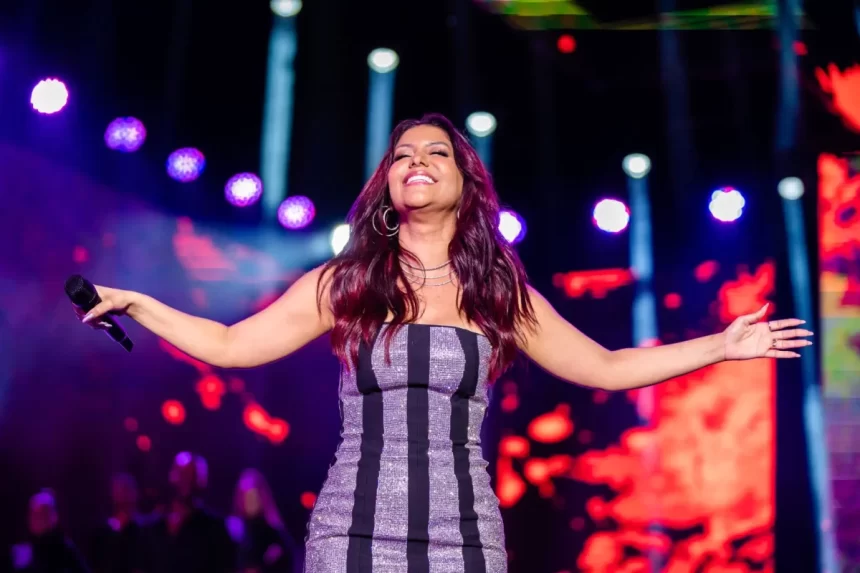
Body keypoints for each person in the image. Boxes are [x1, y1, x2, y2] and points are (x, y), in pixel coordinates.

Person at [75, 113, 813, 572]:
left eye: (436, 151)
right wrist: (141, 304)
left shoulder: (498, 289)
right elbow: (233, 344)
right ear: (389, 183)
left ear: (465, 180)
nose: (416, 160)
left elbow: (609, 366)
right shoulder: (347, 281)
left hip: (463, 534)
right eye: (402, 154)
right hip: (349, 531)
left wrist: (719, 345)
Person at [137, 452, 235, 573]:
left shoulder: (215, 528)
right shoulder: (153, 527)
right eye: (182, 474)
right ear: (171, 475)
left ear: (202, 480)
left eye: (192, 475)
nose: (186, 481)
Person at [227, 469, 301, 573]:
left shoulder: (275, 534)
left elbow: (288, 561)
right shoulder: (232, 531)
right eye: (246, 494)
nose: (250, 500)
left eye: (254, 494)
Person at [10, 489, 90, 573]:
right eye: (33, 514)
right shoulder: (24, 551)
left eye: (42, 514)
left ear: (54, 517)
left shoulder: (64, 550)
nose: (35, 519)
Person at [89, 474, 144, 573]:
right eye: (120, 490)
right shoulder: (104, 532)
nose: (124, 495)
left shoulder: (145, 529)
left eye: (127, 490)